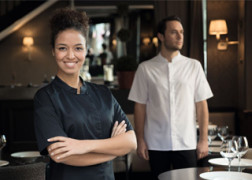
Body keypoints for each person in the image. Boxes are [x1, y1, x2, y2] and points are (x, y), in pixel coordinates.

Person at [33, 8, 136, 180]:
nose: (71, 55)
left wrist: (81, 146)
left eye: (78, 48)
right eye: (62, 48)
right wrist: (112, 150)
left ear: (87, 50)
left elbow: (131, 141)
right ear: (53, 50)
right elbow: (60, 155)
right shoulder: (45, 98)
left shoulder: (103, 93)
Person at [128, 15, 213, 179]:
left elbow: (202, 106)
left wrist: (203, 140)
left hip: (186, 142)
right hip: (156, 143)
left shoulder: (194, 66)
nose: (180, 36)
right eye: (174, 32)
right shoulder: (145, 69)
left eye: (181, 32)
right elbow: (140, 107)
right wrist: (140, 140)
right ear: (161, 36)